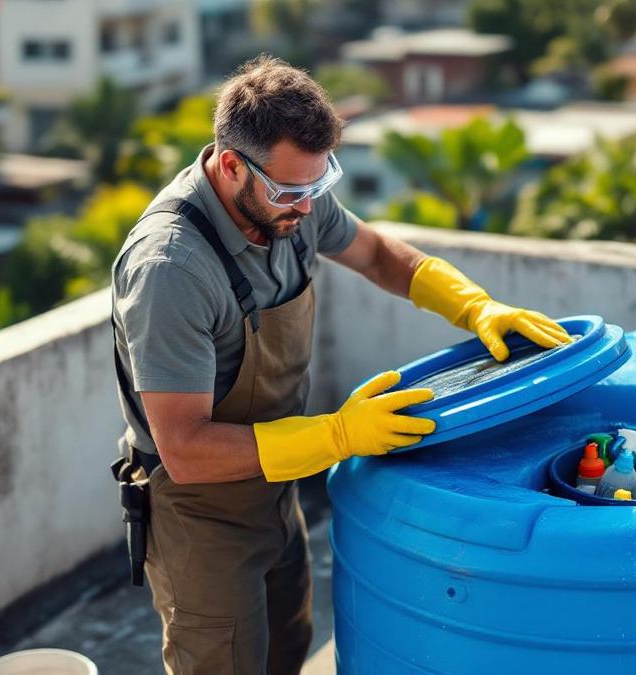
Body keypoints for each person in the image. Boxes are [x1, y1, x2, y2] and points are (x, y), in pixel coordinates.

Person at [110, 55, 572, 674]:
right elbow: (187, 452)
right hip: (200, 513)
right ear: (228, 166)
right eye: (290, 193)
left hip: (278, 483)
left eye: (317, 186)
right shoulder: (172, 269)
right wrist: (339, 434)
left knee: (287, 648)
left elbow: (380, 255)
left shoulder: (288, 200)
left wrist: (475, 306)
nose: (305, 209)